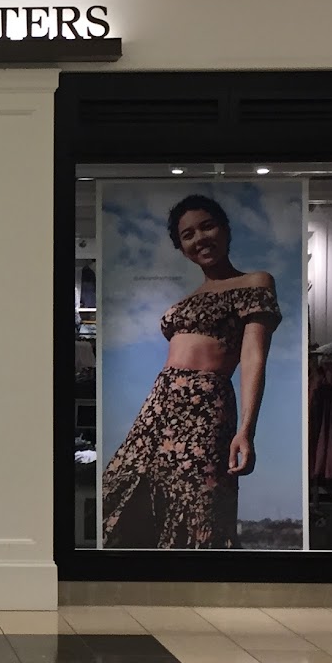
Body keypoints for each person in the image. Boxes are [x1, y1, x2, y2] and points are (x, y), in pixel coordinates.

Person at [101, 193, 279, 548]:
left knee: (200, 501)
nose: (200, 238)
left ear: (225, 229)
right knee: (122, 487)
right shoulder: (187, 300)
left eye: (207, 226)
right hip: (159, 405)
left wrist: (246, 430)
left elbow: (253, 357)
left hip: (206, 406)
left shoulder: (255, 282)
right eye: (188, 235)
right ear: (182, 249)